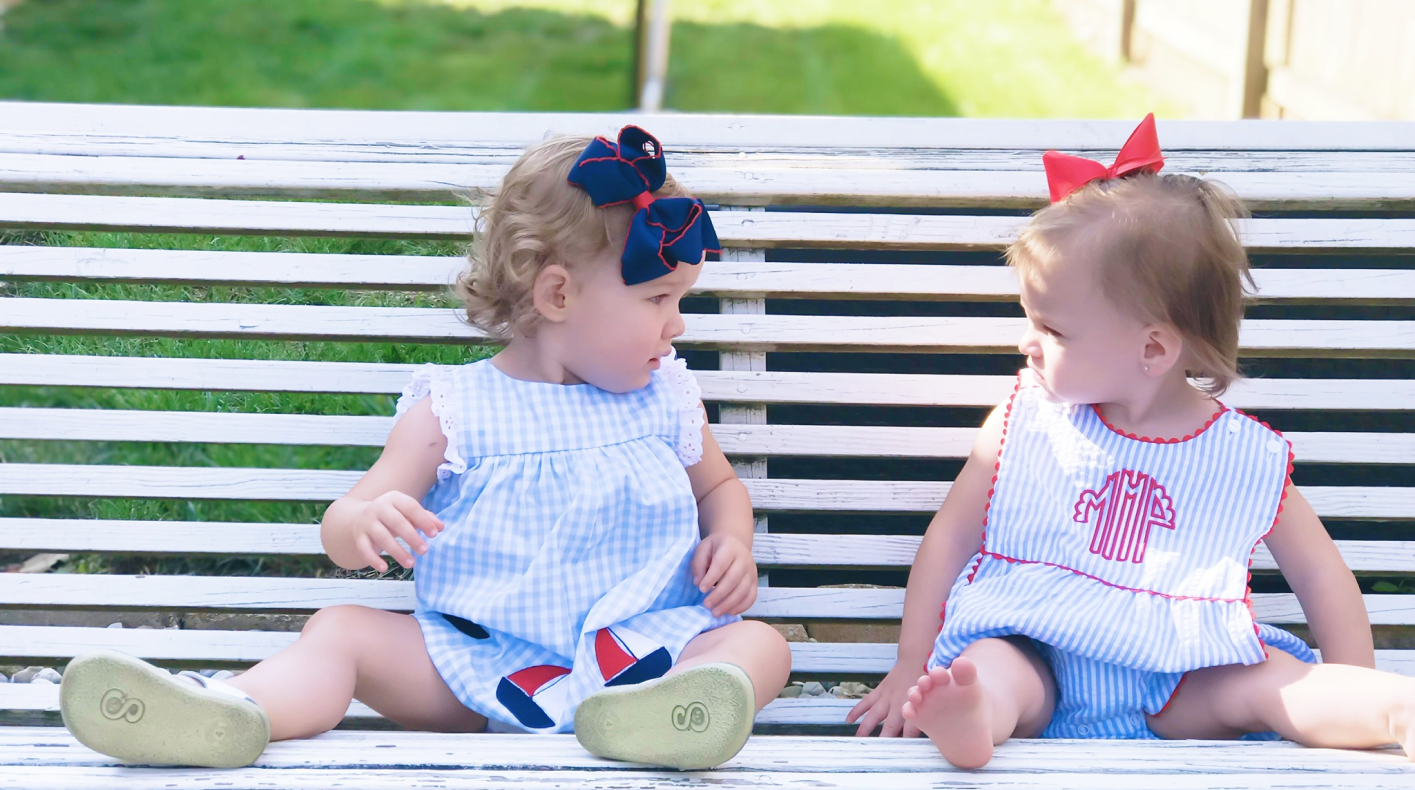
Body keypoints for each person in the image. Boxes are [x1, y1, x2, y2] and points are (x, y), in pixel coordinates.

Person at [59, 126, 791, 771]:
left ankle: (667, 721)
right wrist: (366, 524)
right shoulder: (455, 409)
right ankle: (229, 712)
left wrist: (731, 539)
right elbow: (348, 518)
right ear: (557, 295)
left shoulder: (664, 397)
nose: (677, 328)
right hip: (478, 665)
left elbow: (716, 489)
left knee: (760, 645)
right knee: (340, 631)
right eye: (659, 300)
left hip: (642, 655)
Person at [846, 114, 1415, 768]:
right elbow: (950, 537)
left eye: (1052, 331)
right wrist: (909, 664)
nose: (1025, 343)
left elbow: (1320, 574)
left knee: (1265, 686)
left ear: (1152, 348)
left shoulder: (1239, 455)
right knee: (990, 665)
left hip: (1180, 684)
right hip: (1042, 658)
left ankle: (1387, 707)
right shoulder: (1025, 420)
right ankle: (973, 716)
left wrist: (1350, 674)